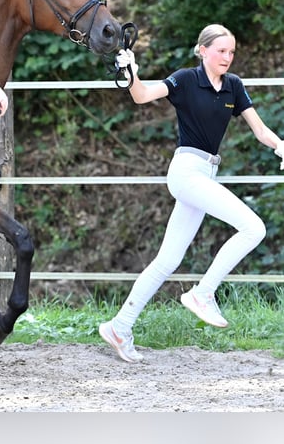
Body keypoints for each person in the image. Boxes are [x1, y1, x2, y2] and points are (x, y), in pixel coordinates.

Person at [99, 23, 284, 363]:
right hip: (186, 171)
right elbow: (141, 95)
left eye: (231, 52)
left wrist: (280, 146)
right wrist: (131, 72)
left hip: (206, 173)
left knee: (168, 260)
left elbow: (260, 130)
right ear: (203, 51)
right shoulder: (185, 79)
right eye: (221, 51)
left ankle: (119, 326)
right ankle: (203, 293)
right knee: (254, 228)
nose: (227, 57)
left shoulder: (233, 86)